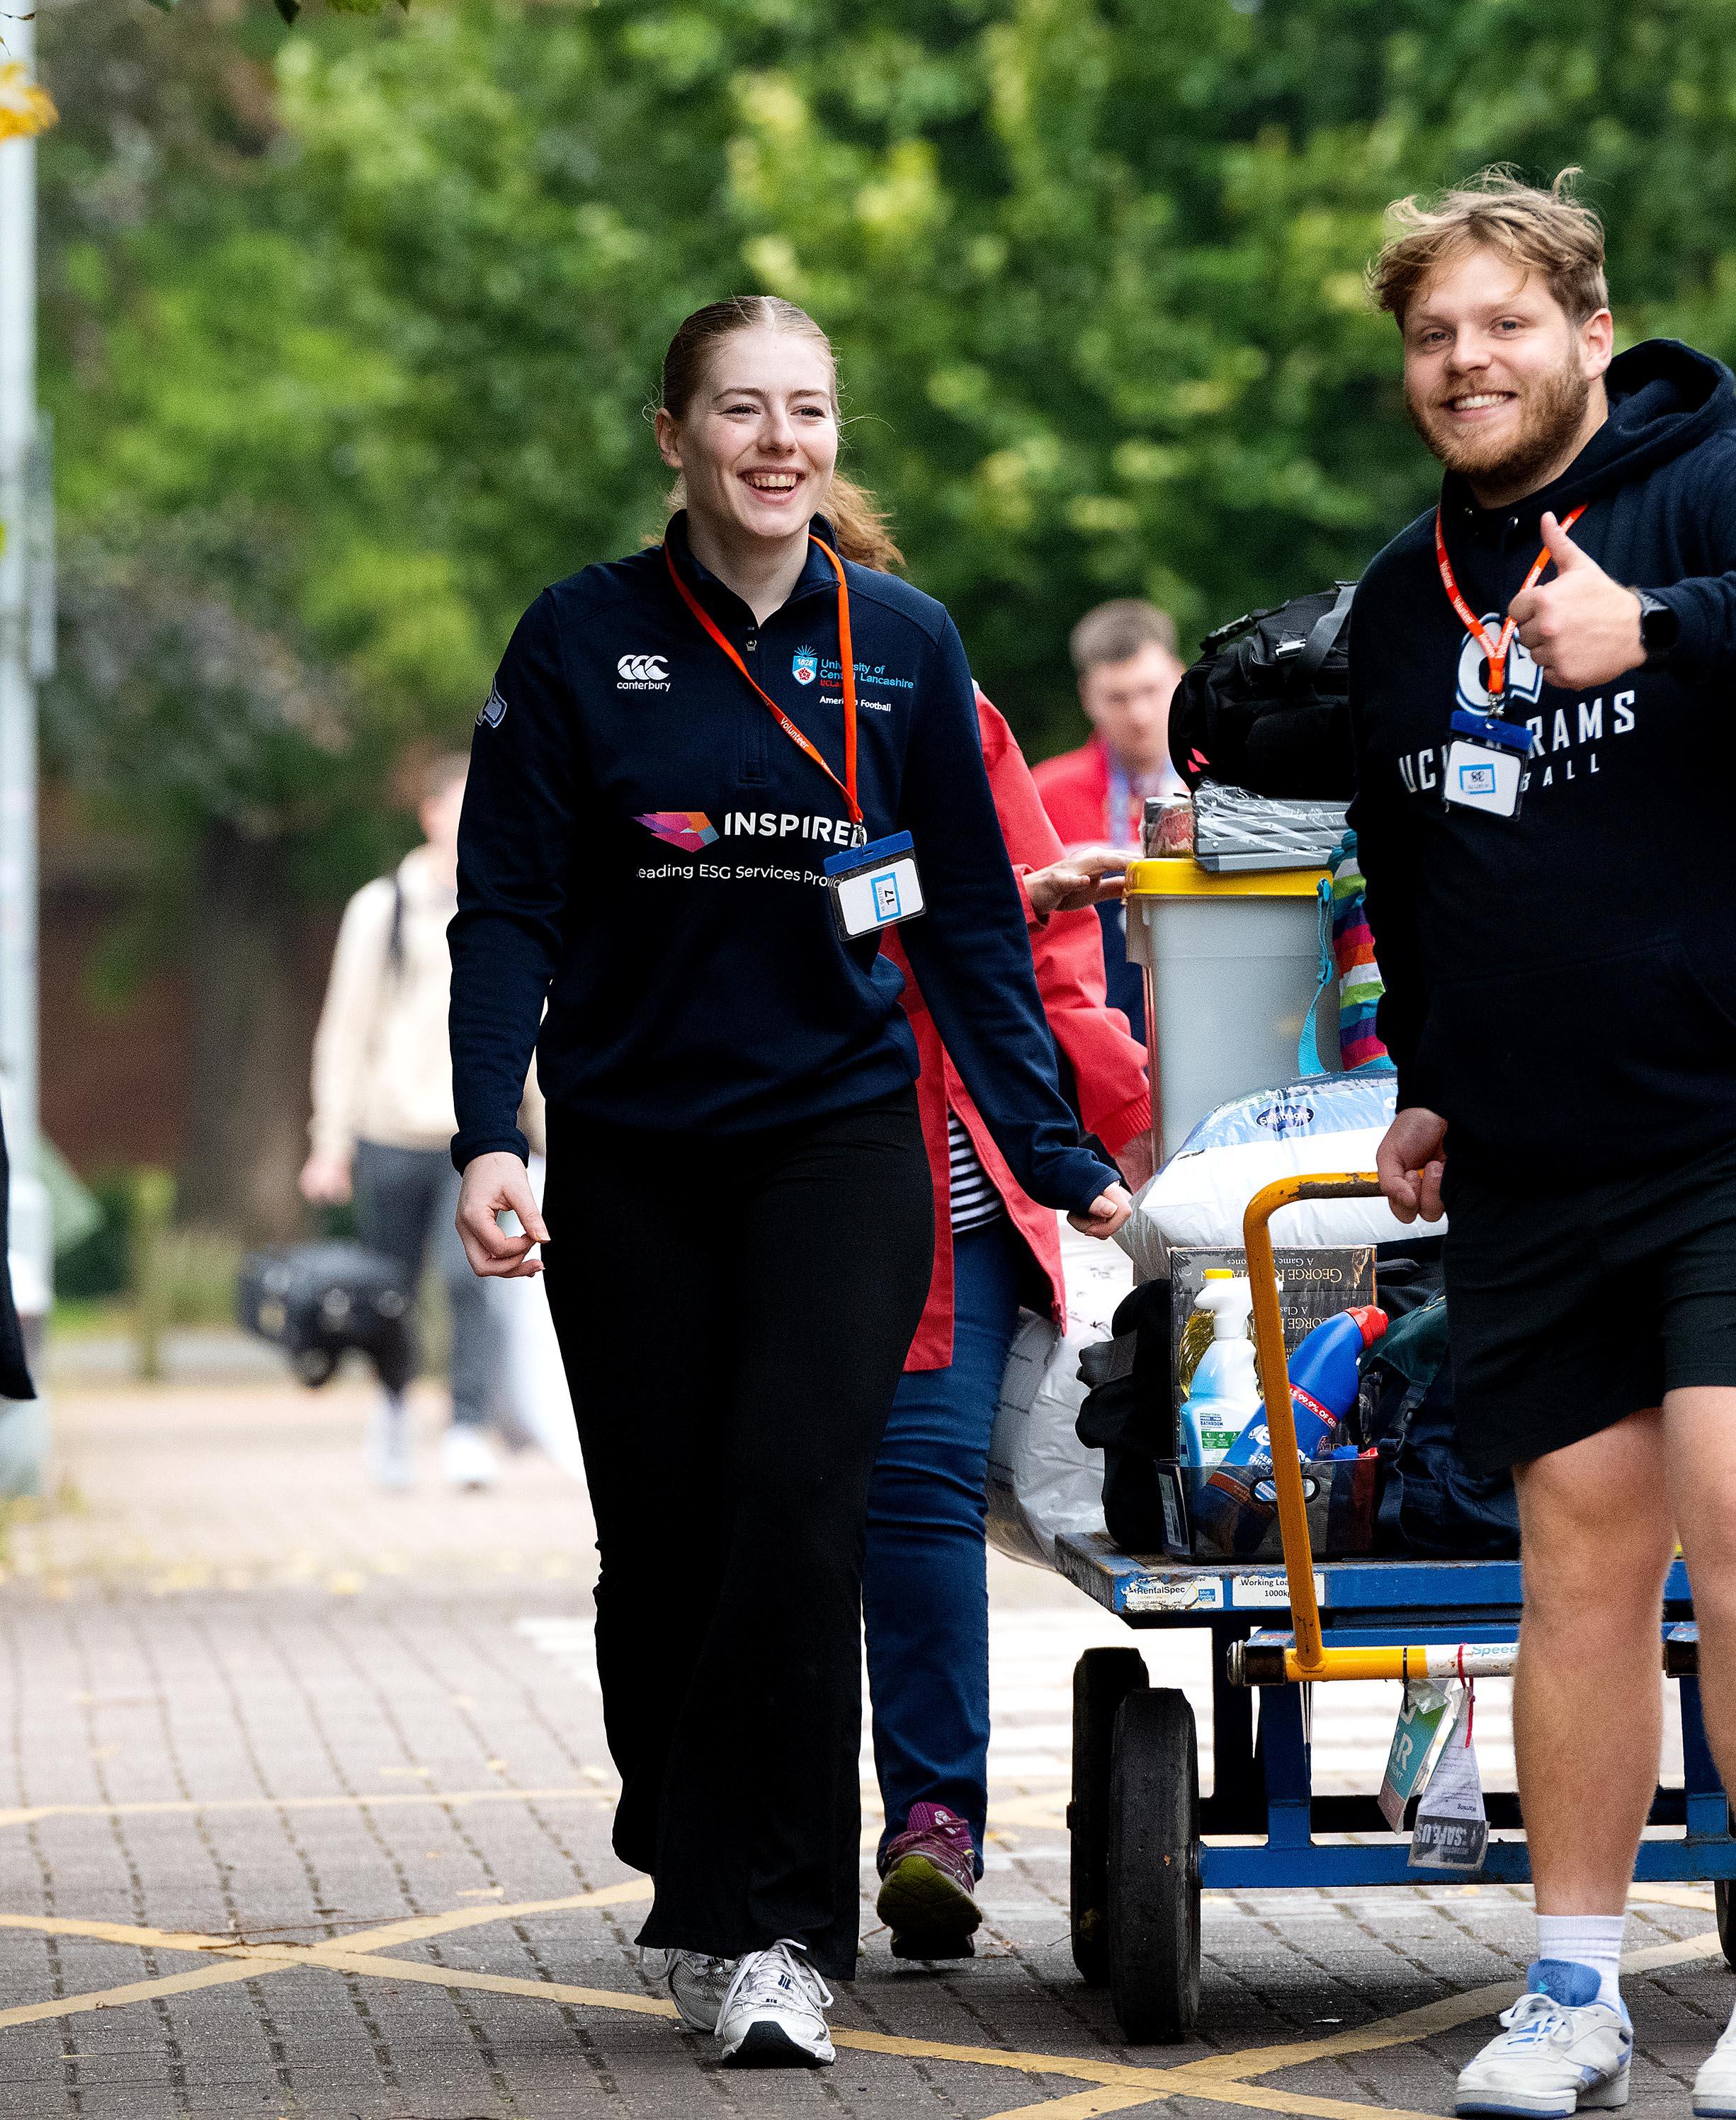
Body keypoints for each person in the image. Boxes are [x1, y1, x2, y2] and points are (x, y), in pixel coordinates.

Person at [446, 295, 1131, 2070]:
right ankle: (690, 1835)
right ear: (671, 435)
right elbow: (507, 909)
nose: (778, 443)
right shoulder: (582, 640)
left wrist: (1058, 1154)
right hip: (640, 1153)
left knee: (791, 1508)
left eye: (808, 410)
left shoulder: (901, 640)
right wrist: (490, 1133)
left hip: (839, 1146)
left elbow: (973, 926)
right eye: (740, 410)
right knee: (661, 1547)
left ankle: (778, 1931)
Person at [1349, 171, 1736, 2120]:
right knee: (1577, 1556)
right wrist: (1428, 1070)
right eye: (1432, 335)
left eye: (1502, 322)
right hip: (1541, 1143)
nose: (1465, 361)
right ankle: (1572, 1987)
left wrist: (1650, 625)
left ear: (1587, 333)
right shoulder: (1397, 598)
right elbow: (1417, 861)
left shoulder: (1722, 489)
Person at [865, 684, 1152, 1962]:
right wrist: (989, 898)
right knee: (769, 1511)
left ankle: (934, 1820)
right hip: (770, 1162)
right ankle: (759, 1848)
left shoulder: (935, 700)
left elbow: (1055, 970)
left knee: (921, 1487)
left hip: (952, 1183)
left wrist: (1111, 1098)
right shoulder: (701, 711)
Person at [301, 754, 514, 1492]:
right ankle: (392, 1408)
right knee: (387, 1292)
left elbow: (537, 1028)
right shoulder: (380, 907)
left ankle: (467, 1423)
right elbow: (345, 1029)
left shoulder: (509, 899)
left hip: (477, 1134)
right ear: (430, 813)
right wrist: (329, 1141)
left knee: (471, 1281)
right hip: (391, 1130)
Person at [1031, 599, 1183, 1038]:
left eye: (1151, 690)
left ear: (1180, 676)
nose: (1139, 716)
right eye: (1118, 697)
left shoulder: (1224, 789)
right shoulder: (1045, 795)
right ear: (1087, 696)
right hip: (1092, 1038)